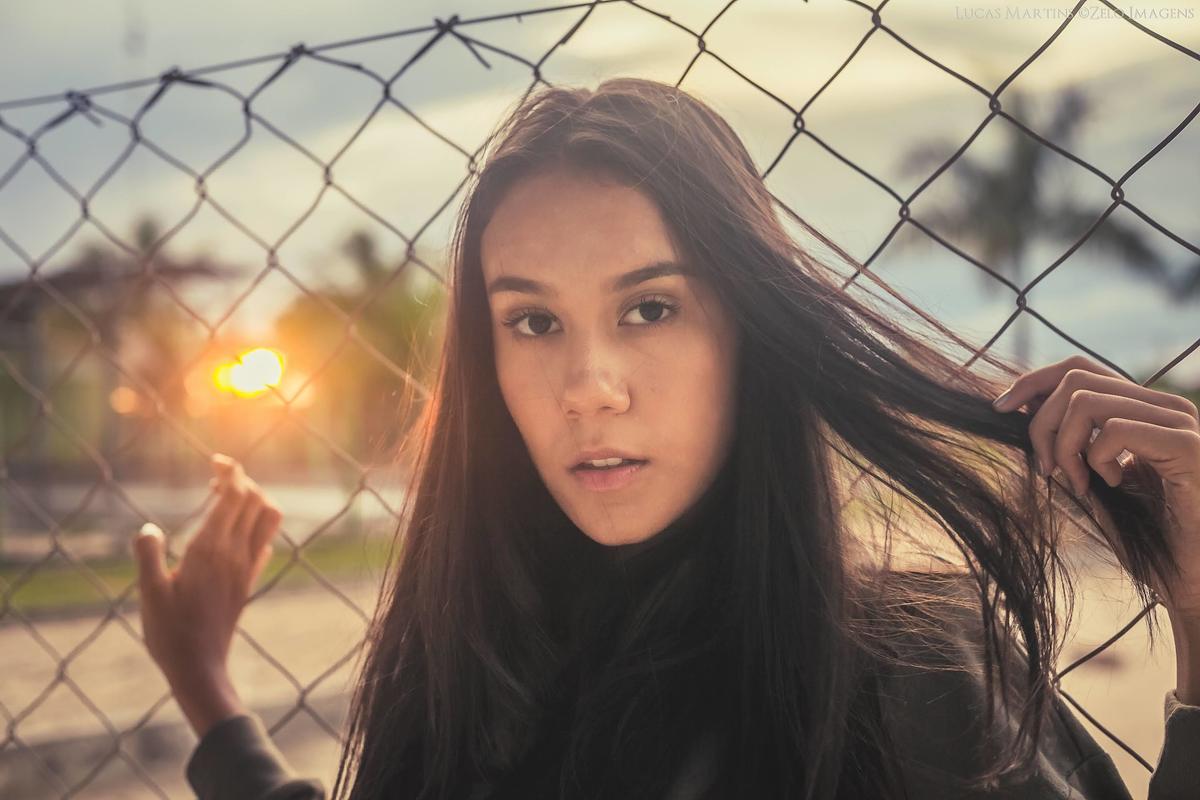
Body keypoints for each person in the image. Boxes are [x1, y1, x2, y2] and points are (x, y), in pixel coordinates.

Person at [131, 78, 1200, 799]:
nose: (587, 388)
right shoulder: (470, 665)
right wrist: (207, 690)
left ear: (747, 325)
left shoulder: (914, 672)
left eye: (650, 308)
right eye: (533, 320)